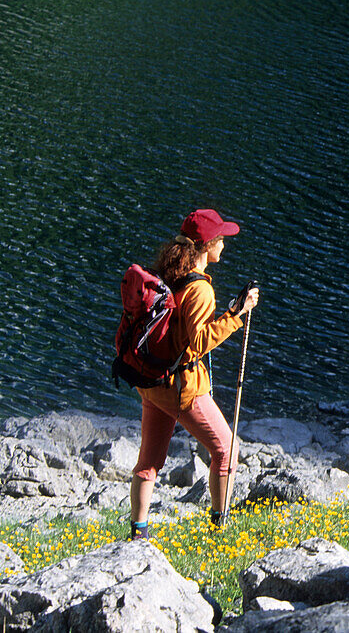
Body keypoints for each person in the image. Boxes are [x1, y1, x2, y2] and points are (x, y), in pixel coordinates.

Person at [129, 209, 259, 540]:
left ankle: (138, 532)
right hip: (181, 388)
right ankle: (219, 526)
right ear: (207, 245)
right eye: (221, 239)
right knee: (226, 449)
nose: (225, 245)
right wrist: (236, 314)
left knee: (149, 461)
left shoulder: (169, 274)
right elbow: (199, 342)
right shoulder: (200, 290)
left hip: (152, 382)